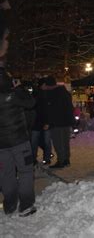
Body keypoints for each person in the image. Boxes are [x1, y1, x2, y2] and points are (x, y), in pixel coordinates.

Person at [0, 15, 37, 217]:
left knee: (5, 173)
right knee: (24, 170)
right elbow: (31, 103)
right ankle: (26, 204)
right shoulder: (12, 94)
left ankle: (9, 204)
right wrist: (19, 88)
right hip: (19, 139)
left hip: (1, 143)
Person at [43, 76, 74, 169]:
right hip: (66, 121)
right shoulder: (65, 92)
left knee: (58, 142)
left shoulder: (52, 94)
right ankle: (66, 159)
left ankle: (61, 161)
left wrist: (48, 122)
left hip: (57, 122)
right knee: (65, 141)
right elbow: (69, 107)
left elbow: (51, 110)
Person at [30, 77, 52, 165]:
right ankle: (46, 158)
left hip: (36, 122)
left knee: (34, 142)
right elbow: (46, 110)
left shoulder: (34, 94)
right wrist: (47, 122)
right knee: (45, 141)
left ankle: (34, 159)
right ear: (43, 85)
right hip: (41, 121)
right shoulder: (45, 95)